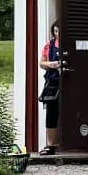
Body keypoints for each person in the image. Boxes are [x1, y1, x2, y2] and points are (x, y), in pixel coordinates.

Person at [39, 22, 62, 155]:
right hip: (53, 82)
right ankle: (50, 144)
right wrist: (51, 64)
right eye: (55, 31)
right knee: (51, 113)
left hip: (69, 82)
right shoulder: (49, 45)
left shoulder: (70, 44)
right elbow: (42, 63)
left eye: (59, 31)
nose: (57, 34)